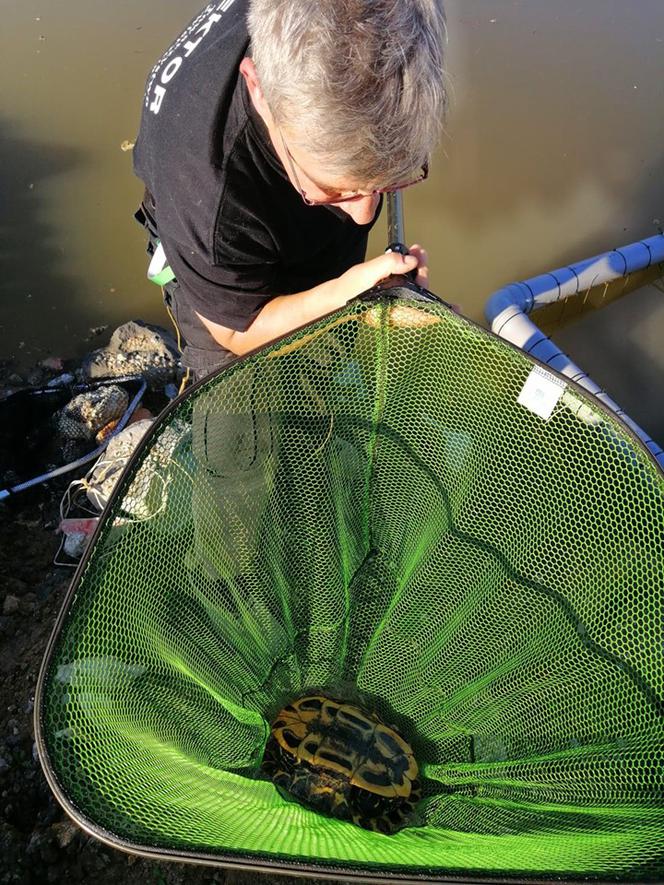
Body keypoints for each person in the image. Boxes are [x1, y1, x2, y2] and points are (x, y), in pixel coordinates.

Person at [133, 0, 447, 382]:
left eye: (390, 183)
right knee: (242, 403)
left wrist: (360, 294)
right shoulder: (205, 191)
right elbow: (237, 330)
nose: (366, 215)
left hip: (288, 184)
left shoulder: (401, 16)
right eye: (335, 190)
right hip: (222, 258)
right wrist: (345, 298)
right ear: (259, 91)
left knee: (325, 355)